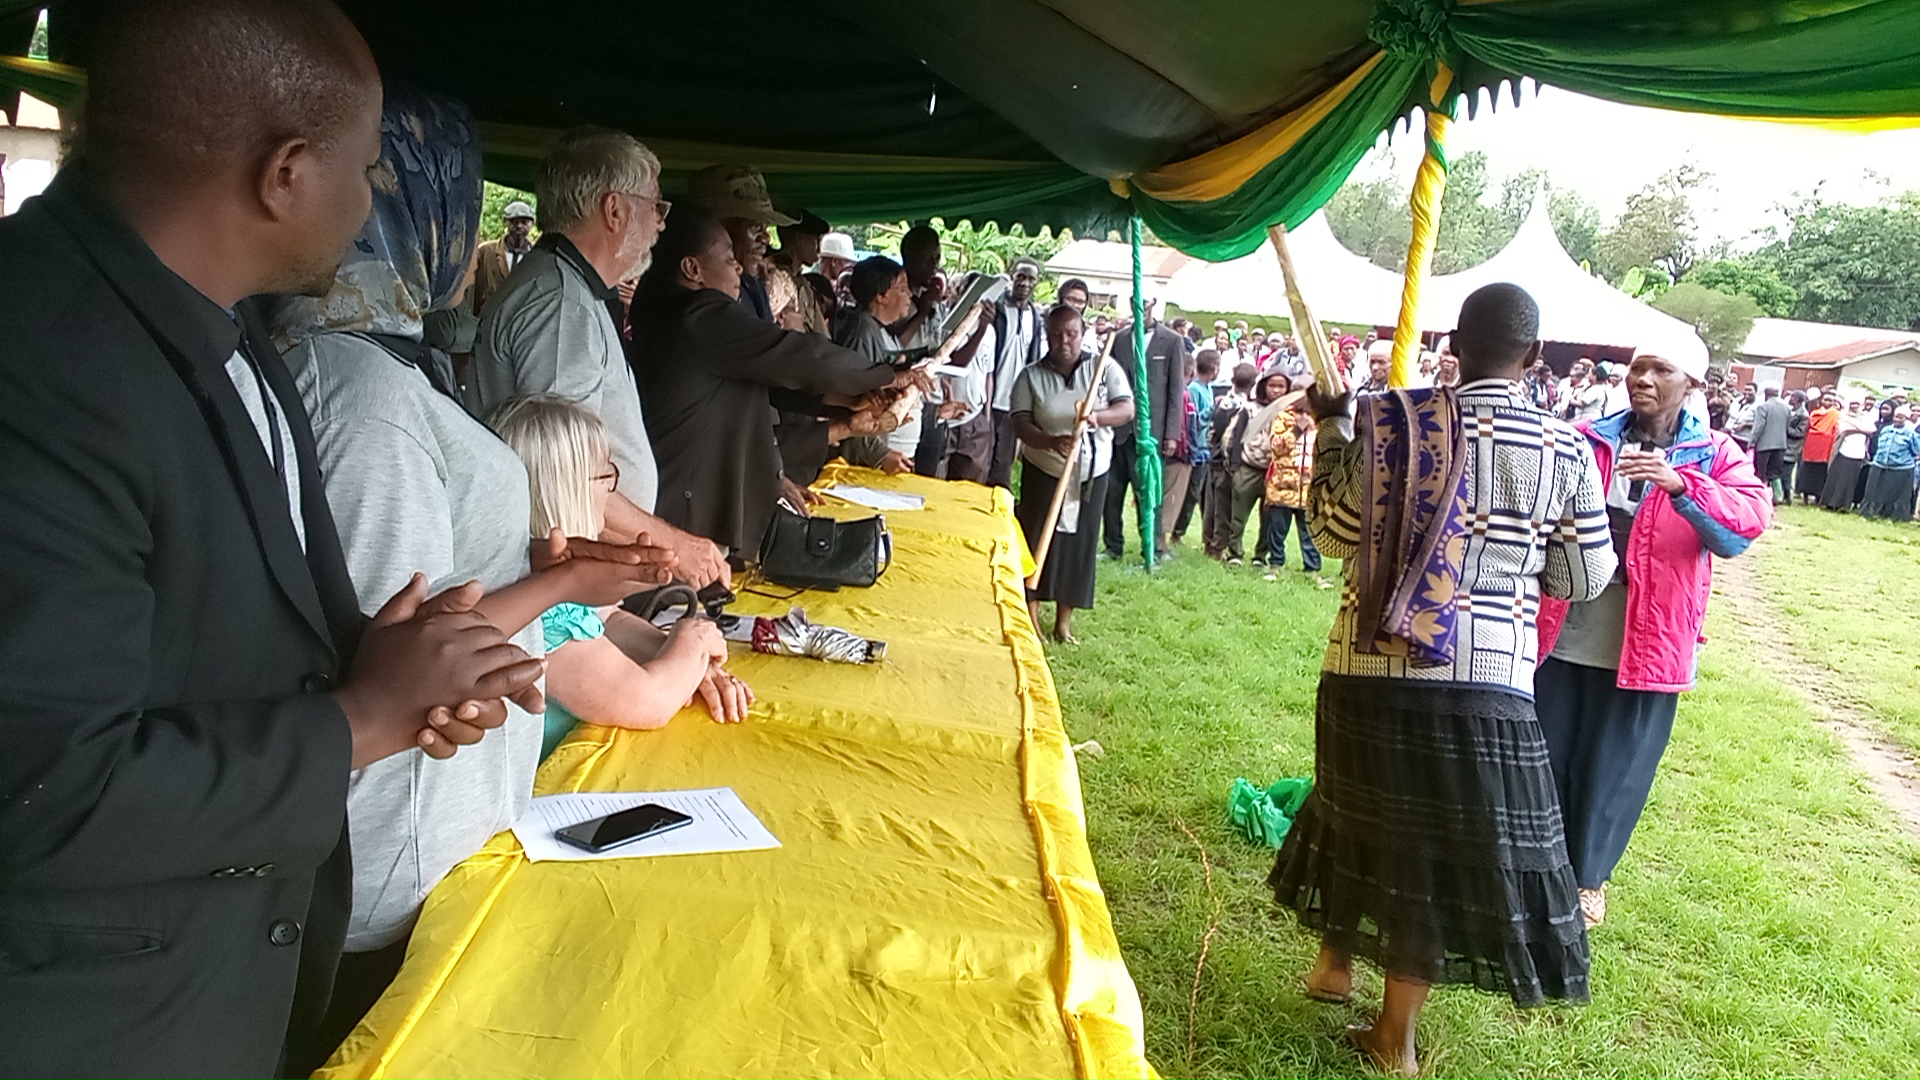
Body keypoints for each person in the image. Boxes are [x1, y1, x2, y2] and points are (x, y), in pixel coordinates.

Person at [0, 3, 547, 1075]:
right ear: (286, 173)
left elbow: (200, 630)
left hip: (217, 977)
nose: (368, 204)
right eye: (366, 170)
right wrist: (359, 720)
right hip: (91, 1020)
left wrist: (404, 665)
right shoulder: (44, 364)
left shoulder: (220, 330)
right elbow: (44, 788)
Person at [275, 85, 682, 1059]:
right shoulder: (363, 391)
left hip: (425, 843)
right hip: (397, 867)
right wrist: (557, 587)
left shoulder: (388, 365)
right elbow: (400, 641)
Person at [1272, 283, 1614, 1076]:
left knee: (1356, 810)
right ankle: (1394, 1038)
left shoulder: (1395, 421)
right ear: (1534, 357)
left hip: (1366, 664)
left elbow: (1328, 533)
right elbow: (1584, 574)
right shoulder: (1566, 448)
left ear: (1455, 343)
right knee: (1430, 845)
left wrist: (1330, 423)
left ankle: (1334, 966)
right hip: (1487, 678)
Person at [1535, 348, 1771, 929]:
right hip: (1567, 626)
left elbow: (1742, 529)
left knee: (1616, 765)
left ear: (1690, 382)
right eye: (1638, 368)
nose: (1643, 379)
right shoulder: (1587, 438)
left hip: (1650, 639)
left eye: (1661, 370)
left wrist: (1682, 487)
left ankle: (1588, 879)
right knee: (1548, 748)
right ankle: (1534, 869)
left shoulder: (1714, 453)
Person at [468, 127, 727, 587]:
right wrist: (672, 546)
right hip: (558, 587)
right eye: (656, 208)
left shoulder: (566, 290)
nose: (661, 225)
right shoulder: (560, 305)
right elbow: (563, 476)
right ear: (614, 209)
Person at [628, 206, 907, 554]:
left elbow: (766, 383)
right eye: (728, 257)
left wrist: (846, 400)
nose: (739, 268)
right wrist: (884, 375)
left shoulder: (670, 309)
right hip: (680, 510)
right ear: (692, 269)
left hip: (678, 500)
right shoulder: (698, 314)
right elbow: (793, 353)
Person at [490, 396, 750, 760]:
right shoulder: (541, 618)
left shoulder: (533, 580)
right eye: (604, 474)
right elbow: (649, 701)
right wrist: (692, 637)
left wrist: (688, 663)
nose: (613, 487)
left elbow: (605, 619)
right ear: (568, 493)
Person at [1012, 306, 1134, 643]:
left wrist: (1097, 416)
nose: (1063, 341)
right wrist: (1051, 441)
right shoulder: (1031, 376)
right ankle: (1031, 616)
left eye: (1071, 334)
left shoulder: (1103, 367)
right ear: (1046, 335)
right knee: (1036, 541)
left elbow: (1126, 409)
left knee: (1078, 544)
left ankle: (1064, 622)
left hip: (1092, 473)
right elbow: (1020, 422)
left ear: (1082, 334)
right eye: (1055, 334)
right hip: (1044, 469)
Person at [1103, 292, 1187, 560]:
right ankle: (1112, 546)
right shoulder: (1120, 339)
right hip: (1119, 430)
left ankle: (1154, 546)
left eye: (1144, 302)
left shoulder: (1172, 341)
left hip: (1153, 432)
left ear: (1153, 304)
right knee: (1112, 492)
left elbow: (1176, 390)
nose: (1139, 306)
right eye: (1134, 301)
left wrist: (1172, 434)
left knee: (1149, 492)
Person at [834, 255, 919, 474]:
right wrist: (878, 454)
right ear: (881, 296)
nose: (909, 294)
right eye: (902, 288)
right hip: (851, 462)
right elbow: (853, 405)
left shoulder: (873, 330)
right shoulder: (862, 334)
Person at [1220, 369, 1292, 566]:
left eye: (1281, 386)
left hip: (1275, 472)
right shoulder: (1249, 408)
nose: (1276, 390)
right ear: (1263, 386)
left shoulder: (1291, 411)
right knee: (1238, 516)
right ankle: (1235, 552)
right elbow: (1234, 437)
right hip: (1248, 467)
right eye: (1272, 386)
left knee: (1269, 518)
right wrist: (1234, 467)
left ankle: (1260, 555)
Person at [986, 257, 1046, 487]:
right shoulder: (996, 309)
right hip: (990, 400)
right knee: (981, 461)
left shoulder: (1036, 317)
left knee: (1002, 467)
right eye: (1021, 276)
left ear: (1036, 283)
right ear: (1012, 277)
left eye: (1031, 278)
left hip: (1014, 404)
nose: (1025, 283)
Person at [1259, 391, 1324, 581]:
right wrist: (1297, 429)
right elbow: (1277, 446)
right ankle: (1276, 565)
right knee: (1278, 528)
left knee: (1309, 532)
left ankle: (1312, 570)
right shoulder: (1282, 416)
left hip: (1309, 487)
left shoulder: (1320, 419)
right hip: (1284, 485)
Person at [1204, 362, 1259, 559]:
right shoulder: (1244, 407)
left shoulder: (1222, 402)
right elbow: (1231, 438)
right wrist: (1232, 465)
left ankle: (1208, 542)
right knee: (1224, 508)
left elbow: (1212, 433)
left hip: (1214, 458)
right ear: (1253, 384)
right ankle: (1218, 547)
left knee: (1212, 504)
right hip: (1227, 462)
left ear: (1233, 381)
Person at [1170, 349, 1219, 546]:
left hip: (1206, 450)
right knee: (1189, 492)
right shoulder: (1194, 390)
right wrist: (1212, 410)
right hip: (1195, 450)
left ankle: (1185, 531)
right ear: (1214, 368)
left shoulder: (1209, 388)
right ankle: (1175, 531)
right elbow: (1193, 421)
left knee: (1199, 494)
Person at [769, 208, 832, 335]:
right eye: (816, 242)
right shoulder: (772, 281)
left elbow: (821, 336)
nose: (819, 250)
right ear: (799, 239)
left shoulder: (803, 284)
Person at [472, 198, 536, 318]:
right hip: (488, 319)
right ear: (505, 222)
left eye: (524, 222)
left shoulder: (537, 256)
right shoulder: (486, 251)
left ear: (532, 224)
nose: (519, 226)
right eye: (513, 221)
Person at [1860, 405, 1920, 521]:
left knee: (1896, 495)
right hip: (1880, 464)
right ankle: (1871, 512)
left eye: (1901, 417)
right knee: (1874, 491)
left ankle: (1894, 516)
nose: (1897, 419)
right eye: (1896, 417)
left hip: (1901, 467)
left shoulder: (1911, 433)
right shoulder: (1886, 429)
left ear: (1906, 418)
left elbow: (1916, 450)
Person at [1820, 397, 1875, 510]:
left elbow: (1871, 429)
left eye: (1857, 403)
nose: (1854, 406)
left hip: (1858, 452)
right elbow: (1843, 429)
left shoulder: (1866, 417)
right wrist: (1861, 429)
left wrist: (1854, 429)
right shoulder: (1843, 416)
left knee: (1850, 481)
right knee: (1836, 478)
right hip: (1843, 450)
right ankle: (1830, 503)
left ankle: (1844, 505)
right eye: (1852, 403)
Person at [1749, 384, 1791, 504]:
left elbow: (1758, 427)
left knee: (1761, 472)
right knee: (1775, 472)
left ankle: (1760, 495)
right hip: (1781, 445)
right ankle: (1778, 496)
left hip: (1764, 445)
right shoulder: (1786, 408)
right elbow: (1787, 426)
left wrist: (1752, 442)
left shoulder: (1763, 407)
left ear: (1766, 395)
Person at [1797, 388, 1840, 503]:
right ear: (1821, 401)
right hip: (1812, 444)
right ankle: (1805, 495)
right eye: (1826, 400)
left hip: (1825, 446)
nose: (1828, 402)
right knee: (1808, 470)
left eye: (1831, 401)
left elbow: (1835, 430)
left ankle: (1818, 497)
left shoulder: (1835, 414)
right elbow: (1809, 427)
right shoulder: (1815, 413)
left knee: (1821, 472)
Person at [1783, 389, 1811, 497]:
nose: (1790, 399)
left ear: (1799, 400)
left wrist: (1785, 427)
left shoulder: (1803, 415)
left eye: (1793, 397)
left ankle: (1786, 496)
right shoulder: (1790, 410)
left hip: (1792, 448)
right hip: (1784, 446)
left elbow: (1799, 433)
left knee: (1786, 474)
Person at [1727, 382, 1758, 449]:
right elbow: (1729, 414)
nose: (1747, 392)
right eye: (1745, 390)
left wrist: (1745, 424)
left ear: (1755, 392)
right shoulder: (1737, 400)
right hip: (1731, 435)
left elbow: (1759, 423)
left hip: (1744, 439)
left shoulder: (1758, 405)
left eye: (1750, 390)